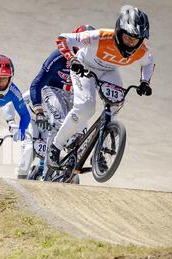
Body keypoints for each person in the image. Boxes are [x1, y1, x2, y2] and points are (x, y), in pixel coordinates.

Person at [49, 6, 154, 168]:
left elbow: (149, 63)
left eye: (136, 39)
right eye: (128, 37)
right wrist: (73, 59)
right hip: (84, 66)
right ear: (119, 32)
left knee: (115, 106)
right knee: (85, 108)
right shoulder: (100, 36)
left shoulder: (142, 50)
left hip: (109, 71)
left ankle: (98, 151)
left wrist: (145, 82)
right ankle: (55, 146)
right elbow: (63, 39)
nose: (132, 43)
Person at [4, 25, 94, 179]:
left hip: (52, 122)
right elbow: (13, 103)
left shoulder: (91, 61)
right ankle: (21, 180)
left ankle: (72, 161)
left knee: (78, 122)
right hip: (34, 122)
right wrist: (13, 123)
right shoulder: (59, 57)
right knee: (28, 151)